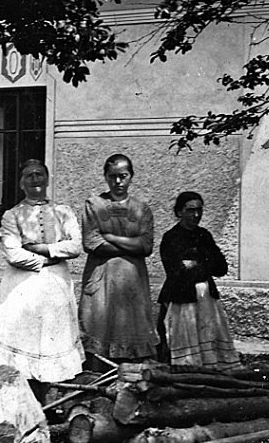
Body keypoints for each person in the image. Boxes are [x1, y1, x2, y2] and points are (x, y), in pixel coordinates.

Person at [0, 160, 85, 401]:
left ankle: (51, 400)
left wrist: (40, 248)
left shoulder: (63, 212)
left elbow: (76, 246)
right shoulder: (12, 215)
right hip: (22, 286)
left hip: (56, 284)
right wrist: (52, 256)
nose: (35, 179)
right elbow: (13, 254)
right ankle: (20, 399)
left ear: (47, 179)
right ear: (21, 183)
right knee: (23, 338)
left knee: (51, 338)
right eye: (29, 175)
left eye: (39, 174)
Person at [78, 154, 158, 368]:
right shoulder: (94, 205)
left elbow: (146, 246)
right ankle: (98, 375)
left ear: (131, 176)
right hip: (101, 277)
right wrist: (132, 245)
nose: (118, 181)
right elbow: (92, 243)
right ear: (105, 176)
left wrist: (111, 237)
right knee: (98, 324)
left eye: (123, 176)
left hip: (133, 280)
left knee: (132, 327)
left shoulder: (141, 208)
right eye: (112, 176)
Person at [157, 191, 240, 370]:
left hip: (207, 299)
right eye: (190, 210)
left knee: (208, 338)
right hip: (182, 299)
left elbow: (221, 268)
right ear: (179, 212)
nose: (196, 215)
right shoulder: (171, 238)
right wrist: (205, 262)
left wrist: (194, 264)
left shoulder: (204, 235)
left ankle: (210, 371)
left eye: (199, 210)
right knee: (184, 341)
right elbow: (177, 272)